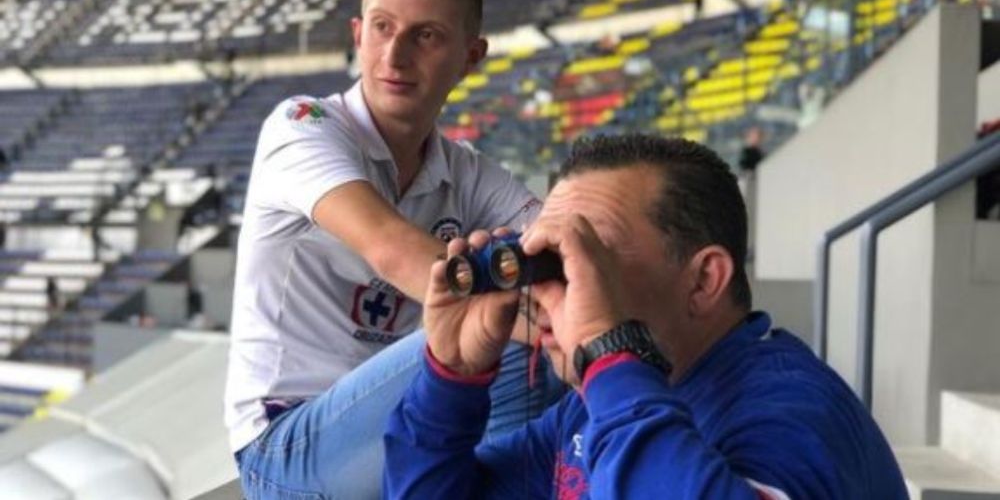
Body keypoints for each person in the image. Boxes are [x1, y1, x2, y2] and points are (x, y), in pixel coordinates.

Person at [385, 134, 908, 498]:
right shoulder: (591, 410)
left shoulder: (793, 415)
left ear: (704, 281)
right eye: (549, 259)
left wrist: (608, 353)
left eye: (589, 260)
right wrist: (451, 379)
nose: (547, 291)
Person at [225, 0, 560, 499]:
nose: (395, 55)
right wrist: (561, 322)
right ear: (358, 34)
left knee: (545, 348)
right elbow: (389, 248)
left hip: (392, 432)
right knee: (505, 331)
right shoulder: (301, 125)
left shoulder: (466, 172)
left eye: (425, 35)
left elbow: (560, 241)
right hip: (287, 447)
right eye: (382, 27)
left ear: (471, 56)